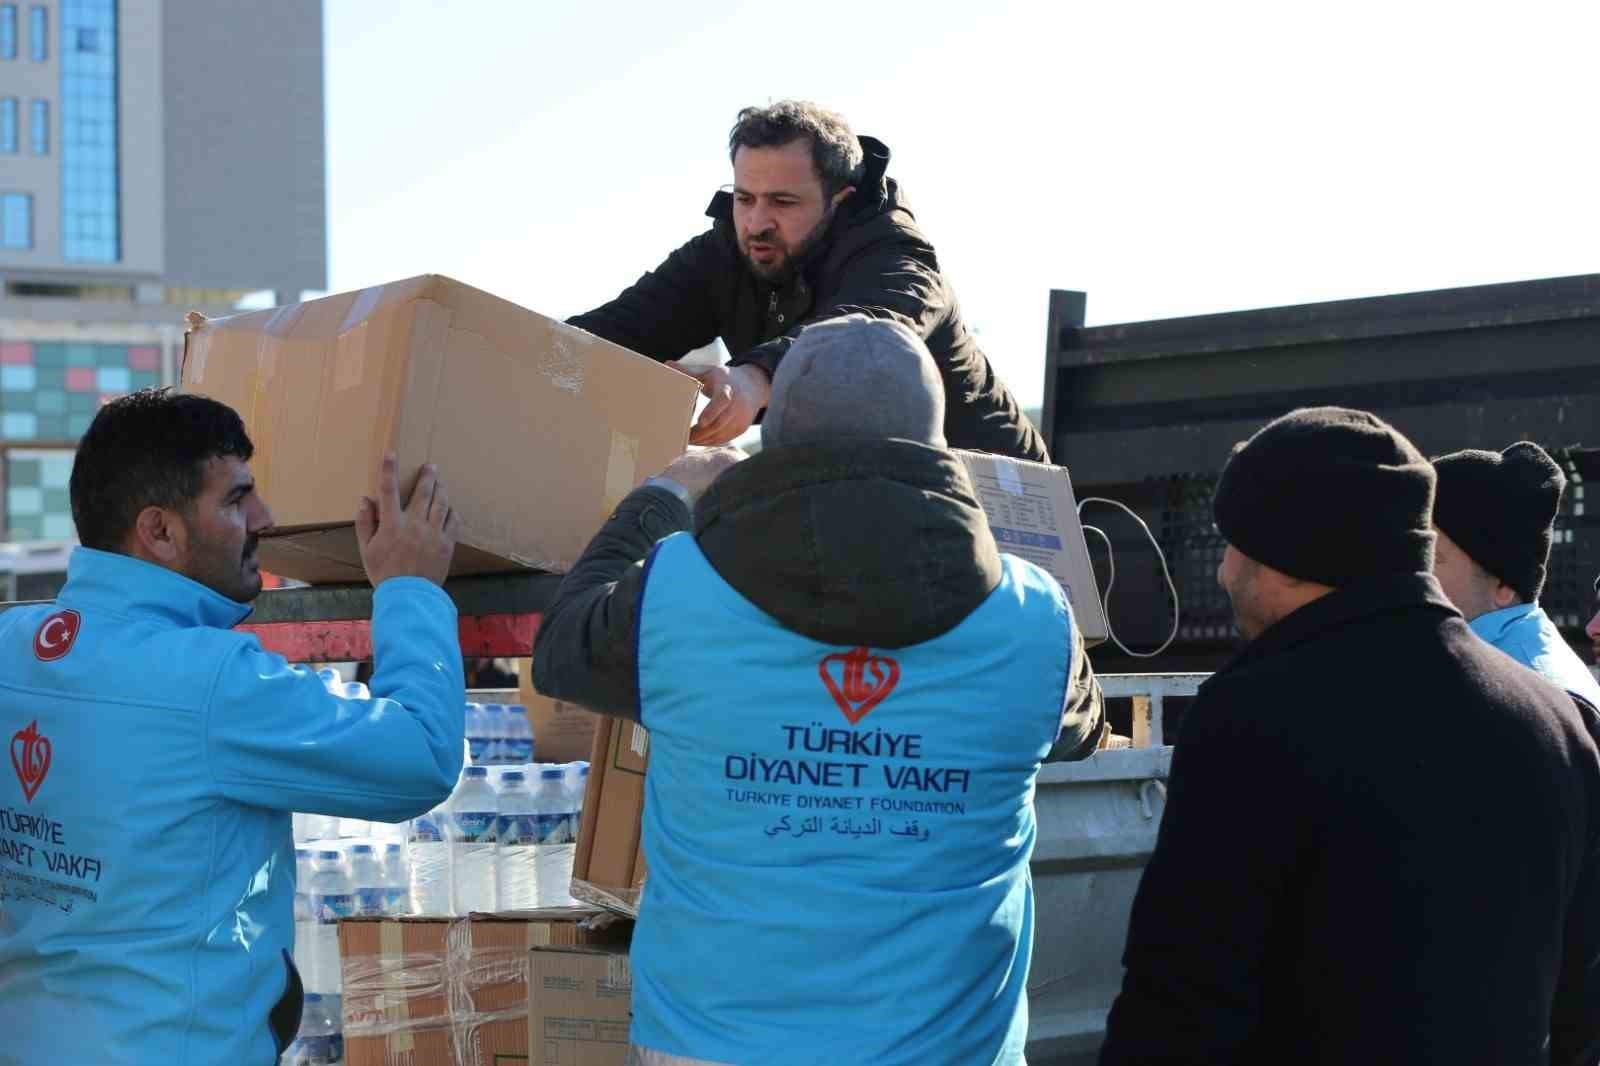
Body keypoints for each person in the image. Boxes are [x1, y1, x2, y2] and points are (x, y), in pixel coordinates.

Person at [533, 316, 1103, 1065]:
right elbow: (1081, 731)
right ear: (935, 449)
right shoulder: (1034, 621)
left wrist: (670, 490)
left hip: (715, 1044)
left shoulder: (674, 595)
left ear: (779, 440)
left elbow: (561, 648)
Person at [1100, 407, 1600, 1066]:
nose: (1223, 571)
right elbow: (1578, 1005)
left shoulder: (1254, 715)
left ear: (1294, 560)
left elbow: (1180, 1003)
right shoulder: (1561, 723)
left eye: (1236, 544)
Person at [0, 390, 466, 1065]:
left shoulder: (14, 646)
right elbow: (420, 754)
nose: (265, 519)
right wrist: (411, 589)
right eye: (235, 499)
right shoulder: (211, 681)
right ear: (159, 531)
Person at [568, 100, 1048, 462]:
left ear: (840, 199)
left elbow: (862, 331)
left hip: (992, 504)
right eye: (743, 197)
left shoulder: (897, 258)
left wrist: (754, 379)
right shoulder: (723, 254)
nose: (756, 222)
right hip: (851, 493)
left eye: (782, 202)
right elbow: (614, 332)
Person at [1430, 441, 1600, 705]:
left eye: (1432, 559)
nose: (1413, 572)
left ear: (1504, 585)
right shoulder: (1490, 672)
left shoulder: (1530, 702)